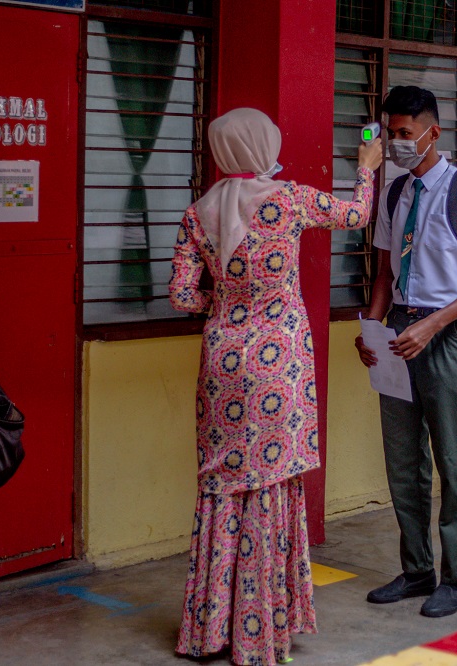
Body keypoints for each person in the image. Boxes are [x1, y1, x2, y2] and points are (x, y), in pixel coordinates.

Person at [169, 108, 382, 666]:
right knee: (269, 481)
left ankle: (208, 631)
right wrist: (367, 165)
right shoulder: (288, 200)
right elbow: (358, 215)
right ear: (264, 146)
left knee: (222, 484)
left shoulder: (199, 213)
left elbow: (184, 297)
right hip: (278, 358)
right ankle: (260, 632)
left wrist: (229, 305)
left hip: (222, 358)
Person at [355, 86, 457, 618]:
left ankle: (453, 577)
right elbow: (383, 272)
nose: (394, 143)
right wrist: (371, 327)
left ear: (432, 133)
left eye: (402, 134)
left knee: (453, 462)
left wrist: (435, 325)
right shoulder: (394, 195)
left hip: (446, 334)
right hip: (396, 333)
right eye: (388, 133)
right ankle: (415, 569)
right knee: (402, 461)